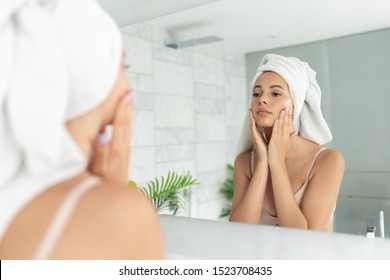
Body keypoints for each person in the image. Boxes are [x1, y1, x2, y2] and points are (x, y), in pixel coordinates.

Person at [0, 0, 163, 259]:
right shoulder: (124, 215)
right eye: (122, 68)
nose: (128, 84)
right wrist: (113, 200)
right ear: (95, 83)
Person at [229, 54, 344, 231]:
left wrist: (276, 164)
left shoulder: (328, 161)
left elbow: (304, 238)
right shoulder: (245, 163)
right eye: (256, 93)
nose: (262, 100)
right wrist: (262, 165)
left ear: (295, 104)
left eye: (275, 93)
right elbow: (238, 232)